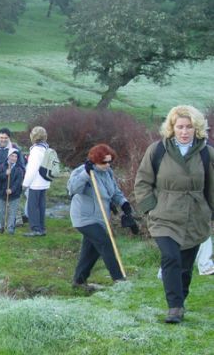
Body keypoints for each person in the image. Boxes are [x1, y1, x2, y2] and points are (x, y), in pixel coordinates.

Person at [135, 105, 214, 324]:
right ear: (172, 128)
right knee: (171, 257)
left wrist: (211, 212)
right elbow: (142, 181)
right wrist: (149, 208)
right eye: (179, 127)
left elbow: (212, 186)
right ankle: (175, 307)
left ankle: (181, 299)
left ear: (197, 128)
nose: (184, 131)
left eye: (189, 127)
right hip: (164, 216)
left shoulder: (207, 153)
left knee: (186, 267)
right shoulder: (157, 150)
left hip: (195, 217)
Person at [67, 144, 133, 291]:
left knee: (91, 250)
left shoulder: (108, 172)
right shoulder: (82, 171)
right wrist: (85, 174)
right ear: (95, 160)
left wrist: (125, 205)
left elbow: (114, 192)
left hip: (101, 218)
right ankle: (119, 279)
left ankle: (78, 281)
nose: (107, 165)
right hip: (84, 217)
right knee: (105, 243)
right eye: (104, 162)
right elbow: (72, 190)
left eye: (110, 161)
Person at [0, 128, 25, 227]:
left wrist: (18, 178)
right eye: (1, 137)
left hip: (12, 181)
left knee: (12, 203)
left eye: (6, 138)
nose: (3, 140)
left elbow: (21, 165)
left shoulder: (15, 148)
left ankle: (15, 222)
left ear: (9, 138)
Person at [22, 126, 51, 237]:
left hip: (35, 183)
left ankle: (35, 229)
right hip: (45, 181)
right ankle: (42, 228)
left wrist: (25, 184)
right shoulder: (46, 148)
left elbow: (32, 169)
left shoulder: (35, 150)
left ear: (33, 137)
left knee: (32, 206)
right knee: (41, 206)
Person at [0, 149, 24, 234]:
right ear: (8, 156)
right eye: (12, 156)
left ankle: (10, 229)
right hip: (1, 193)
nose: (14, 158)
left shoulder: (19, 169)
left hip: (14, 195)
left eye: (16, 157)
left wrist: (12, 190)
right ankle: (1, 227)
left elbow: (18, 182)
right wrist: (5, 174)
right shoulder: (1, 166)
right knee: (0, 212)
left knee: (12, 212)